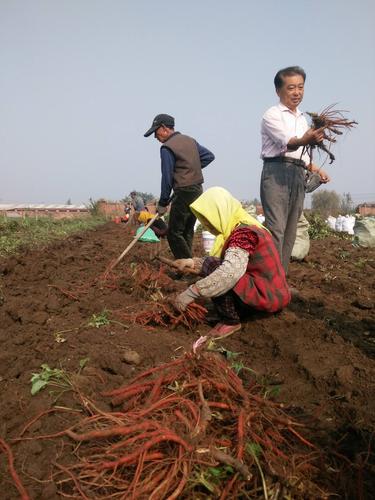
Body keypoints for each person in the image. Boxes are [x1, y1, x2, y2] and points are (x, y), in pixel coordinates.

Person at [171, 187, 291, 339]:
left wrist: (191, 292)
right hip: (272, 293)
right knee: (216, 265)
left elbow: (228, 273)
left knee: (219, 270)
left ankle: (230, 321)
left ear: (220, 211)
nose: (208, 224)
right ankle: (238, 312)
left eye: (209, 218)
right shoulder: (246, 225)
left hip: (267, 298)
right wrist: (191, 262)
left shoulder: (244, 234)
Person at [260, 66, 330, 273]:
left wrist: (315, 168)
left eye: (300, 87)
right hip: (276, 173)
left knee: (290, 232)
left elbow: (302, 151)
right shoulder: (272, 115)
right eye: (291, 88)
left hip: (298, 173)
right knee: (276, 230)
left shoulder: (301, 118)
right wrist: (306, 138)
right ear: (278, 91)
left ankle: (280, 281)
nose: (297, 92)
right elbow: (290, 143)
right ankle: (268, 281)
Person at [144, 114, 215, 259]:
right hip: (197, 190)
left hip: (183, 192)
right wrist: (189, 169)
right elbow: (208, 156)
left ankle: (187, 267)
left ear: (163, 128)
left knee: (174, 233)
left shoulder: (167, 147)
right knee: (187, 231)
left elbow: (167, 178)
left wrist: (163, 202)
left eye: (155, 133)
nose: (155, 137)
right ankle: (187, 267)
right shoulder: (190, 140)